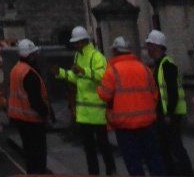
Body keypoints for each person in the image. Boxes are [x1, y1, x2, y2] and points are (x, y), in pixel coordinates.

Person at [99, 37, 164, 177]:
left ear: (115, 51)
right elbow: (155, 94)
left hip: (125, 125)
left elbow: (104, 95)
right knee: (153, 159)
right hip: (147, 122)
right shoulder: (144, 68)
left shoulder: (112, 71)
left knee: (134, 162)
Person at [58, 25, 117, 175]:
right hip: (84, 112)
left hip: (97, 111)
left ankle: (111, 171)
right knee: (89, 147)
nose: (75, 45)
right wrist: (61, 73)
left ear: (85, 41)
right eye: (74, 43)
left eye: (78, 42)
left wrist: (84, 70)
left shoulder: (97, 56)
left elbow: (104, 76)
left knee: (103, 145)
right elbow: (76, 78)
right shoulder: (78, 56)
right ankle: (94, 173)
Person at [144, 30, 193, 177]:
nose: (148, 49)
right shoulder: (160, 64)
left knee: (174, 146)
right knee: (166, 146)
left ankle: (186, 172)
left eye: (150, 45)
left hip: (170, 114)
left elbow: (172, 92)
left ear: (157, 46)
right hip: (164, 114)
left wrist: (169, 114)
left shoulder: (167, 65)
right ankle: (172, 171)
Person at [8, 37, 54, 173]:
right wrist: (45, 113)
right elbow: (35, 101)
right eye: (33, 53)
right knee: (38, 156)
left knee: (29, 154)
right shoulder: (29, 73)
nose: (36, 55)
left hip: (19, 118)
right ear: (30, 55)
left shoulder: (16, 69)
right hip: (32, 120)